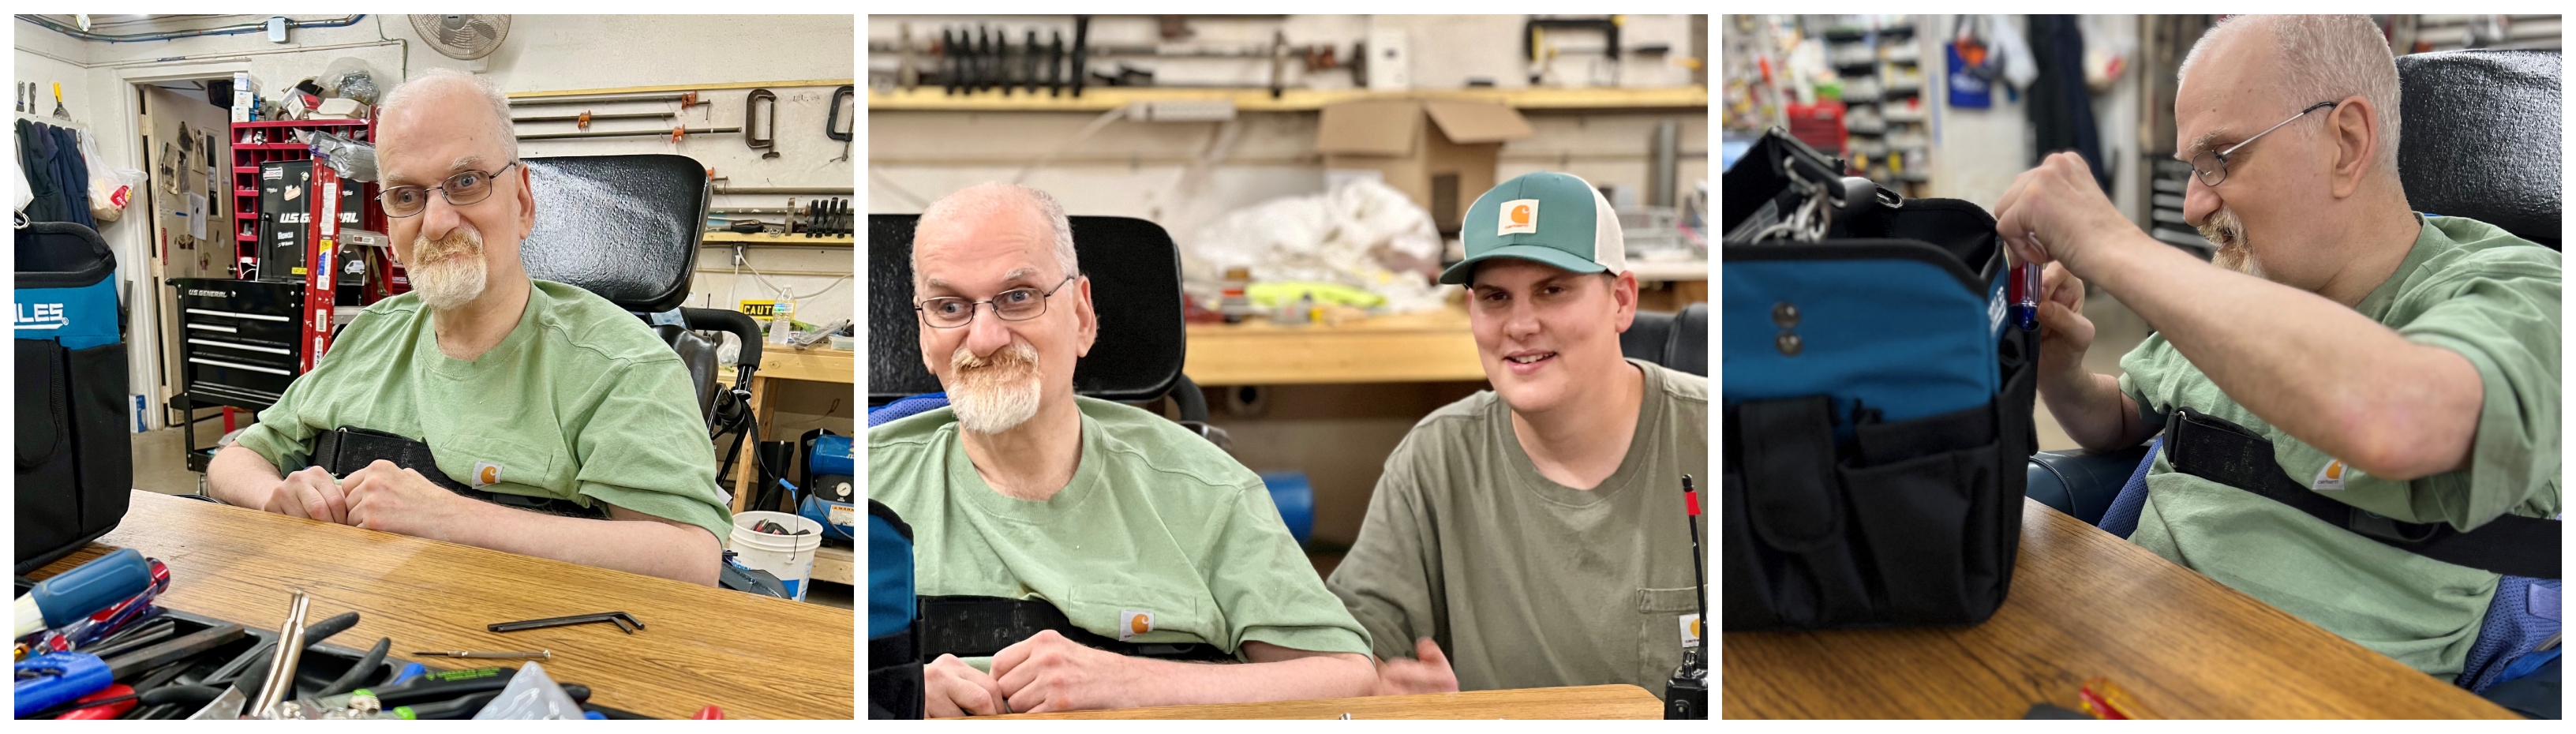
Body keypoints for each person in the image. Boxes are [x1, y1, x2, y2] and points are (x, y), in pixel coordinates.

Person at [2000, 14, 2559, 683]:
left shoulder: (2520, 290)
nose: (2194, 205)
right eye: (2192, 169)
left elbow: (2403, 419)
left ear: (2347, 143)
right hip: (2126, 642)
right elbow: (2124, 415)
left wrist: (2111, 244)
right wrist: (2062, 373)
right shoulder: (2236, 287)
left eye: (2221, 159)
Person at [206, 69, 732, 586]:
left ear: (522, 202)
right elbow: (235, 460)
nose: (436, 222)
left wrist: (453, 520)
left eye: (465, 183)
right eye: (407, 196)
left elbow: (689, 558)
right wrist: (275, 496)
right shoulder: (370, 336)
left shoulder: (620, 366)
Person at [871, 182, 1376, 717]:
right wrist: (891, 693)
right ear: (926, 335)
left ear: (1082, 316)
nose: (985, 337)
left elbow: (1348, 680)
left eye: (1018, 297)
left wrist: (1135, 685)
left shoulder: (1204, 490)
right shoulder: (873, 483)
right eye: (950, 306)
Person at [1324, 171, 1711, 698]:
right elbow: (1356, 640)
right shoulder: (1437, 458)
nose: (1520, 324)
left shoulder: (1713, 438)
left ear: (1622, 300)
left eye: (1552, 290)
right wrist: (1384, 685)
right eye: (1495, 298)